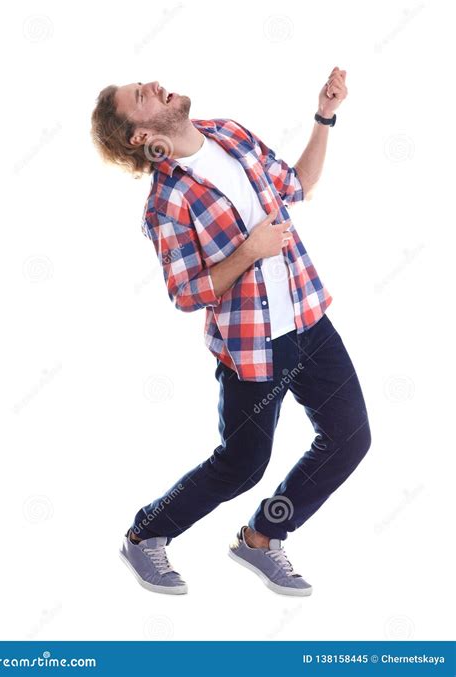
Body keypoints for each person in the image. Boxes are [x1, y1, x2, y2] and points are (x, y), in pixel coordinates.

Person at [90, 67, 371, 596]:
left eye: (144, 82)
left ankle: (262, 538)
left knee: (350, 437)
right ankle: (145, 534)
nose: (151, 82)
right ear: (140, 137)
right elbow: (186, 293)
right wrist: (248, 252)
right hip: (253, 346)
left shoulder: (231, 135)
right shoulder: (166, 202)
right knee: (242, 466)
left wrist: (325, 114)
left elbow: (299, 184)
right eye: (138, 96)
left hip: (308, 318)